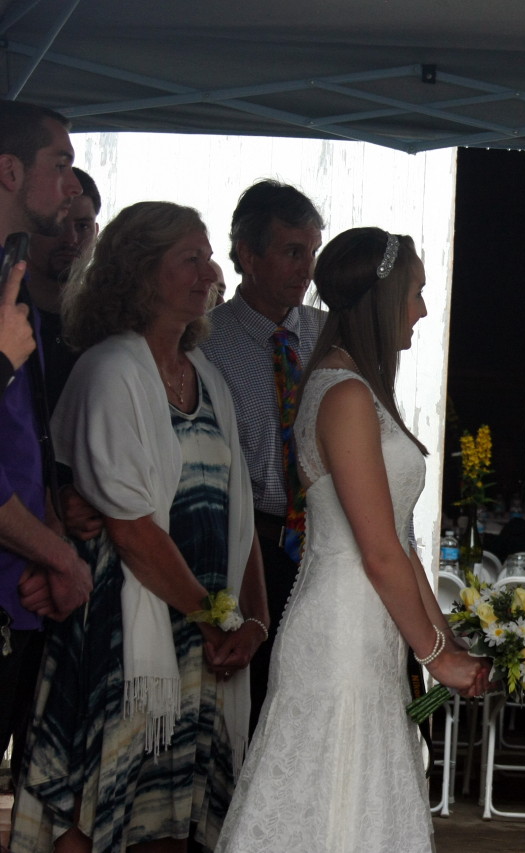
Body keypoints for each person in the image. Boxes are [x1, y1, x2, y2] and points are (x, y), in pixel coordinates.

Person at [216, 227, 488, 852]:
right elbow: (379, 552)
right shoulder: (343, 394)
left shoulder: (362, 389)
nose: (423, 309)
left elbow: (401, 542)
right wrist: (434, 656)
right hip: (340, 632)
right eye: (416, 293)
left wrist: (445, 637)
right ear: (383, 298)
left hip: (372, 629)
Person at [10, 201, 267, 853]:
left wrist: (254, 620)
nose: (212, 271)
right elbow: (132, 531)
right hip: (126, 630)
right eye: (192, 258)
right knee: (99, 806)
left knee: (172, 815)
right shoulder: (111, 369)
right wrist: (214, 618)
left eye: (209, 256)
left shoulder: (207, 376)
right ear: (141, 272)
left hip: (202, 634)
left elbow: (238, 516)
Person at [201, 179, 325, 732]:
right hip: (248, 549)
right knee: (248, 716)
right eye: (293, 252)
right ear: (247, 256)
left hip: (324, 550)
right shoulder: (205, 342)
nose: (307, 269)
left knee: (314, 713)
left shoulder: (329, 335)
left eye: (313, 252)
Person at [0, 99, 91, 792]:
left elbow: (21, 445)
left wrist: (47, 539)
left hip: (17, 589)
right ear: (9, 171)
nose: (71, 185)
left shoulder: (15, 279)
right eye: (59, 164)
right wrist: (62, 558)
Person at [26, 166, 101, 412]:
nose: (70, 239)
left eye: (83, 226)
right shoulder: (9, 312)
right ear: (27, 230)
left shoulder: (108, 318)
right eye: (57, 225)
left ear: (96, 232)